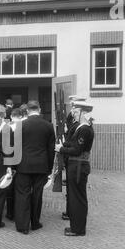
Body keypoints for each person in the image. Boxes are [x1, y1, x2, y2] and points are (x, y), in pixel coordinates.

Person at [14, 100, 55, 234]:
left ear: (27, 111)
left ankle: (22, 225)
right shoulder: (48, 126)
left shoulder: (20, 125)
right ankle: (35, 223)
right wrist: (49, 169)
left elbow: (15, 147)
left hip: (23, 165)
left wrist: (14, 165)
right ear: (40, 109)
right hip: (41, 165)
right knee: (37, 195)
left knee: (22, 194)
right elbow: (51, 150)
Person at [55, 101, 94, 236]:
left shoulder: (84, 129)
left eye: (77, 112)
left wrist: (62, 149)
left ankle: (78, 229)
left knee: (77, 198)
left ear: (84, 113)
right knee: (75, 196)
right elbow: (73, 143)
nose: (74, 114)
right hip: (76, 165)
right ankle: (76, 226)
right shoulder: (81, 127)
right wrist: (64, 145)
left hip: (78, 166)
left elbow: (77, 150)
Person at [61, 95, 86, 221]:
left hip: (77, 162)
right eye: (72, 104)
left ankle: (76, 220)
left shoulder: (84, 126)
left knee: (76, 194)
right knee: (72, 192)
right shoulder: (76, 121)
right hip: (72, 159)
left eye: (75, 106)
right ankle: (71, 213)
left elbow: (77, 147)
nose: (73, 108)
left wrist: (62, 148)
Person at [5, 108, 22, 221]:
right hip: (21, 160)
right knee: (20, 187)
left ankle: (10, 212)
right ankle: (18, 211)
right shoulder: (23, 127)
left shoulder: (8, 128)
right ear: (20, 116)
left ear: (11, 116)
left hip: (10, 159)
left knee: (10, 187)